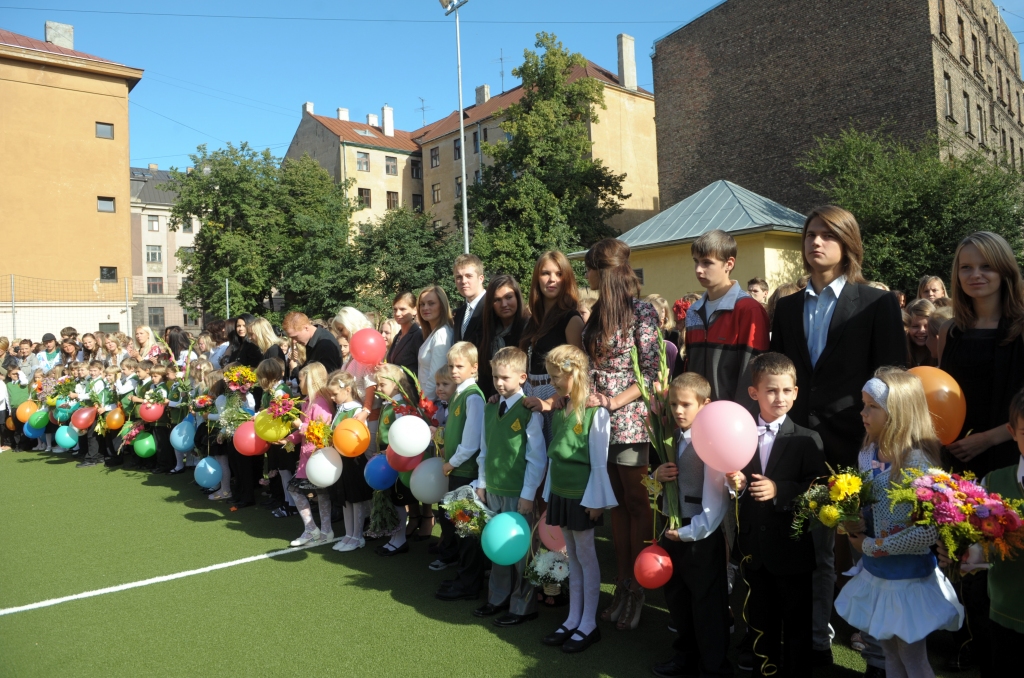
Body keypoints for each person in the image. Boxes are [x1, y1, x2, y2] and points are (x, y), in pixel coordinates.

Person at [770, 206, 907, 665]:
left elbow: (892, 380)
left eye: (828, 235)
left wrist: (881, 439)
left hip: (856, 442)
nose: (817, 242)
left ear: (848, 243)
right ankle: (812, 640)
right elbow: (784, 373)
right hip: (798, 444)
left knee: (858, 544)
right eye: (811, 234)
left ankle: (868, 642)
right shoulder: (786, 307)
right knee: (807, 547)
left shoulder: (875, 302)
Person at [834, 368, 963, 678]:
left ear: (898, 412)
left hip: (907, 578)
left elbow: (928, 530)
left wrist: (874, 545)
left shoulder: (918, 463)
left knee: (912, 657)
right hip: (879, 574)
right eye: (864, 404)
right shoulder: (868, 453)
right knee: (889, 654)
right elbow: (867, 503)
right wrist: (850, 518)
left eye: (872, 406)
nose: (863, 413)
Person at [727, 352, 827, 677]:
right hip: (753, 549)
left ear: (796, 392)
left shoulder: (807, 439)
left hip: (792, 551)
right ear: (754, 392)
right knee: (759, 622)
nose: (780, 397)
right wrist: (737, 485)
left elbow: (816, 490)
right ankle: (763, 670)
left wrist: (779, 490)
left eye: (786, 391)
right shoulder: (739, 434)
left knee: (796, 626)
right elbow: (735, 483)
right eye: (771, 390)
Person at [582, 238, 660, 631]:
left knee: (636, 501)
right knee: (614, 504)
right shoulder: (597, 312)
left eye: (589, 269)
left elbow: (652, 373)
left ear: (603, 271)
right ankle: (624, 583)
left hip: (629, 420)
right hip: (598, 422)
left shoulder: (642, 312)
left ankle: (639, 585)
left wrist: (613, 401)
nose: (586, 276)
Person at [650, 372, 733, 678]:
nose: (678, 411)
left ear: (705, 405)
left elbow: (715, 505)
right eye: (673, 404)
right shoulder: (671, 438)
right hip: (673, 529)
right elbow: (653, 488)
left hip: (699, 535)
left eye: (685, 404)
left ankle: (714, 667)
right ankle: (685, 655)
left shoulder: (711, 444)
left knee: (707, 603)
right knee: (678, 598)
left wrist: (685, 533)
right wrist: (655, 476)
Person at [539, 344, 616, 654]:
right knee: (571, 555)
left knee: (586, 557)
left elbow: (599, 460)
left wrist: (597, 500)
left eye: (557, 376)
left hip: (583, 496)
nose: (553, 382)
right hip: (560, 491)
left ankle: (589, 624)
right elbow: (554, 457)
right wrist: (548, 493)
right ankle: (573, 619)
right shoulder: (560, 408)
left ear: (575, 373)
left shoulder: (596, 412)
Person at [938, 231, 1024, 479]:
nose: (975, 274)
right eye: (966, 267)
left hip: (1010, 457)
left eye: (986, 266)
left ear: (1004, 269)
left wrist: (988, 439)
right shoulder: (949, 331)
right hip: (956, 456)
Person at [473, 347, 546, 626]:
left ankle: (524, 605)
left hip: (518, 494)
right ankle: (498, 598)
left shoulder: (529, 411)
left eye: (505, 377)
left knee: (521, 552)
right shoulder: (490, 406)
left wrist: (528, 495)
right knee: (498, 547)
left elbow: (536, 458)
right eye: (495, 377)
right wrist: (482, 483)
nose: (499, 383)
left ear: (522, 377)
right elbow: (484, 448)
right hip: (493, 489)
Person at [679, 229, 770, 409]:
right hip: (696, 416)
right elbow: (689, 369)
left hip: (732, 418)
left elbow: (753, 375)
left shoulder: (748, 310)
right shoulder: (694, 311)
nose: (698, 270)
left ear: (729, 263)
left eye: (707, 263)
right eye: (696, 262)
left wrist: (740, 417)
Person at [434, 341, 486, 598]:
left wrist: (450, 463)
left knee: (468, 531)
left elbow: (472, 443)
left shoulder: (473, 396)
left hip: (465, 472)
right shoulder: (459, 393)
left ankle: (470, 584)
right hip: (457, 471)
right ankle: (465, 576)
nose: (454, 371)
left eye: (460, 366)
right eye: (452, 365)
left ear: (474, 367)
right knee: (461, 529)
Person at [981, 388, 1024, 676]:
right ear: (1012, 432)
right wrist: (962, 552)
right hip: (1006, 614)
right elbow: (976, 543)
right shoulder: (992, 484)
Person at [519, 251, 584, 436]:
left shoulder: (571, 319)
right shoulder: (533, 320)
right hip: (529, 396)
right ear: (537, 278)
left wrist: (550, 401)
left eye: (558, 274)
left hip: (556, 401)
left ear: (567, 278)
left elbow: (578, 374)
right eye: (545, 273)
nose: (552, 279)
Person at [283, 363, 334, 546]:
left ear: (310, 380)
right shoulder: (307, 401)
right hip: (308, 455)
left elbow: (321, 430)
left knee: (300, 490)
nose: (299, 381)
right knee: (318, 493)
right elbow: (303, 431)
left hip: (316, 455)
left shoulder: (320, 403)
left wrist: (299, 426)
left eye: (302, 378)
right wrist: (289, 439)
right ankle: (319, 530)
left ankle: (314, 529)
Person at [326, 369, 373, 553]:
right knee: (345, 499)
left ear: (347, 390)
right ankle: (348, 534)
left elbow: (360, 436)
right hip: (341, 461)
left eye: (335, 393)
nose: (332, 397)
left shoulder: (357, 410)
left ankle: (357, 536)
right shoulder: (340, 409)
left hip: (354, 460)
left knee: (356, 499)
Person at [478, 274, 529, 400]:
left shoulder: (529, 329)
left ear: (517, 297)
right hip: (492, 401)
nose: (504, 304)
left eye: (509, 297)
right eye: (497, 300)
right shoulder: (486, 332)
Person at [416, 285, 453, 403]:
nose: (425, 307)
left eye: (431, 303)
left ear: (442, 306)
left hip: (434, 405)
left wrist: (425, 404)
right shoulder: (434, 332)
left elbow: (436, 376)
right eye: (422, 304)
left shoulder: (441, 333)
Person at [452, 253, 486, 347]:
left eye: (469, 276)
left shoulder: (492, 307)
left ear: (481, 279)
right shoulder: (460, 313)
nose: (463, 281)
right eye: (458, 277)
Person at [385, 292, 424, 374]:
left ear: (415, 310)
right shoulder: (398, 336)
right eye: (395, 309)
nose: (397, 314)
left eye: (402, 309)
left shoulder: (418, 335)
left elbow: (422, 369)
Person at [906, 299, 936, 367]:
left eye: (927, 326)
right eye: (915, 326)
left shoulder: (939, 355)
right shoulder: (901, 353)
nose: (922, 331)